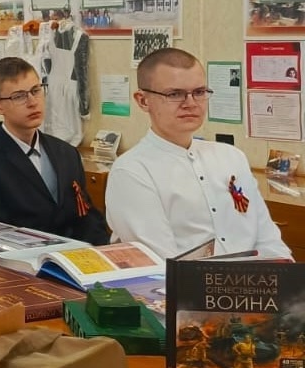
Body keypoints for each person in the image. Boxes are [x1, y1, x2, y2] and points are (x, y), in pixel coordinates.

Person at [106, 48, 291, 258]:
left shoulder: (232, 157)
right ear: (143, 100)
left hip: (254, 277)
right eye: (175, 94)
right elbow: (161, 263)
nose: (191, 103)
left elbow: (269, 241)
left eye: (199, 92)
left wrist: (283, 273)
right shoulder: (132, 171)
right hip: (184, 279)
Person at [0, 56, 108, 244]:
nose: (32, 102)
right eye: (19, 96)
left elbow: (85, 216)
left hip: (72, 255)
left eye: (36, 90)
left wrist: (102, 251)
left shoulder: (66, 153)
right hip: (16, 256)